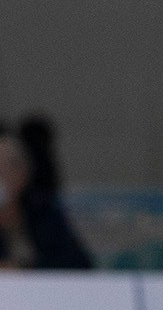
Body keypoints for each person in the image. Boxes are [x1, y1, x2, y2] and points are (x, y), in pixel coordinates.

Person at [0, 115, 94, 269]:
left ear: (21, 175)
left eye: (3, 170)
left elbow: (79, 264)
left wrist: (25, 269)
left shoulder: (43, 215)